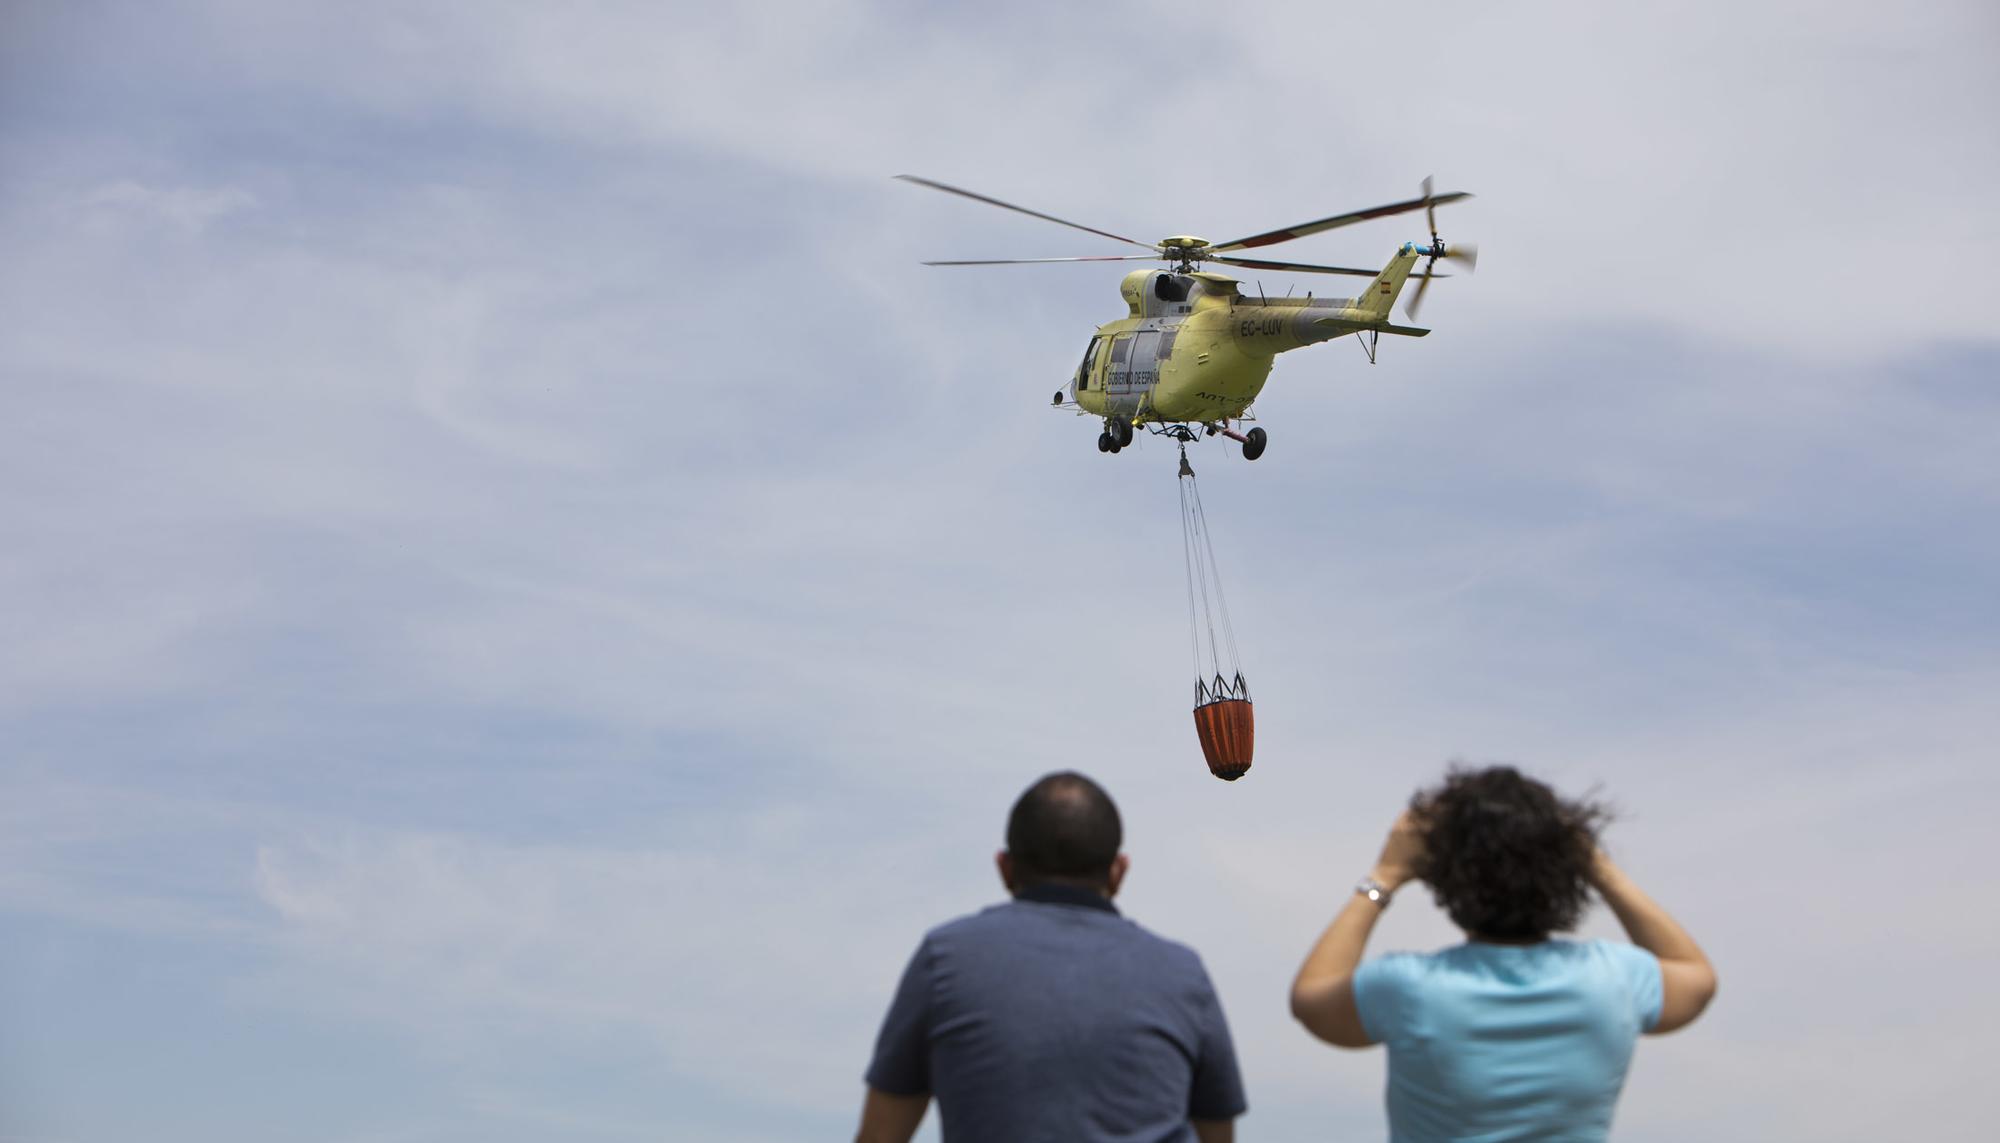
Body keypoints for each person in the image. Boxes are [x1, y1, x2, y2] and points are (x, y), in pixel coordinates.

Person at [1290, 764, 1717, 1142]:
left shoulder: (1410, 988)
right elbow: (1695, 976)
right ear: (1566, 870)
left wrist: (1385, 876)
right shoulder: (1613, 978)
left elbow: (1312, 997)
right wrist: (1597, 868)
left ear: (1443, 876)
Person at [857, 771, 1247, 1143]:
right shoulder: (1182, 974)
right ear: (1118, 872)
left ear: (1005, 868)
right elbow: (1216, 1135)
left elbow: (879, 1137)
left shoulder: (944, 959)